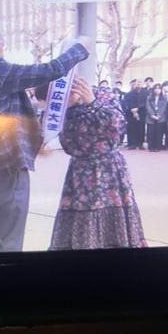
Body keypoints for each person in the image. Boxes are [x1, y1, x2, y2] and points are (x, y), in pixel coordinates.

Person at [0, 19, 89, 253]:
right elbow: (49, 71)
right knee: (7, 244)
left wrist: (34, 139)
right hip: (3, 169)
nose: (2, 49)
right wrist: (80, 49)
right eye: (1, 43)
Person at [44, 77, 146, 250]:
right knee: (82, 212)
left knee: (114, 212)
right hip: (80, 171)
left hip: (109, 168)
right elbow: (65, 140)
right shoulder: (60, 107)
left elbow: (118, 127)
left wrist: (93, 103)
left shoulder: (103, 95)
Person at [123, 79, 146, 150]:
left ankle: (140, 144)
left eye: (140, 82)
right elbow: (127, 103)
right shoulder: (129, 94)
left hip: (141, 112)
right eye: (137, 83)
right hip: (131, 113)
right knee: (131, 129)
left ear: (143, 84)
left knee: (141, 129)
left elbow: (145, 103)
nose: (138, 84)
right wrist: (132, 110)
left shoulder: (146, 93)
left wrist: (137, 108)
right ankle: (132, 144)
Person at [145, 83, 167, 152]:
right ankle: (151, 147)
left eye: (159, 89)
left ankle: (158, 146)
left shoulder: (164, 98)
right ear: (153, 90)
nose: (157, 90)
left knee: (159, 132)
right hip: (150, 117)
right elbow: (148, 106)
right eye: (156, 88)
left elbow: (164, 107)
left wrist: (159, 115)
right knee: (151, 132)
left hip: (160, 117)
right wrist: (152, 115)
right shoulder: (149, 97)